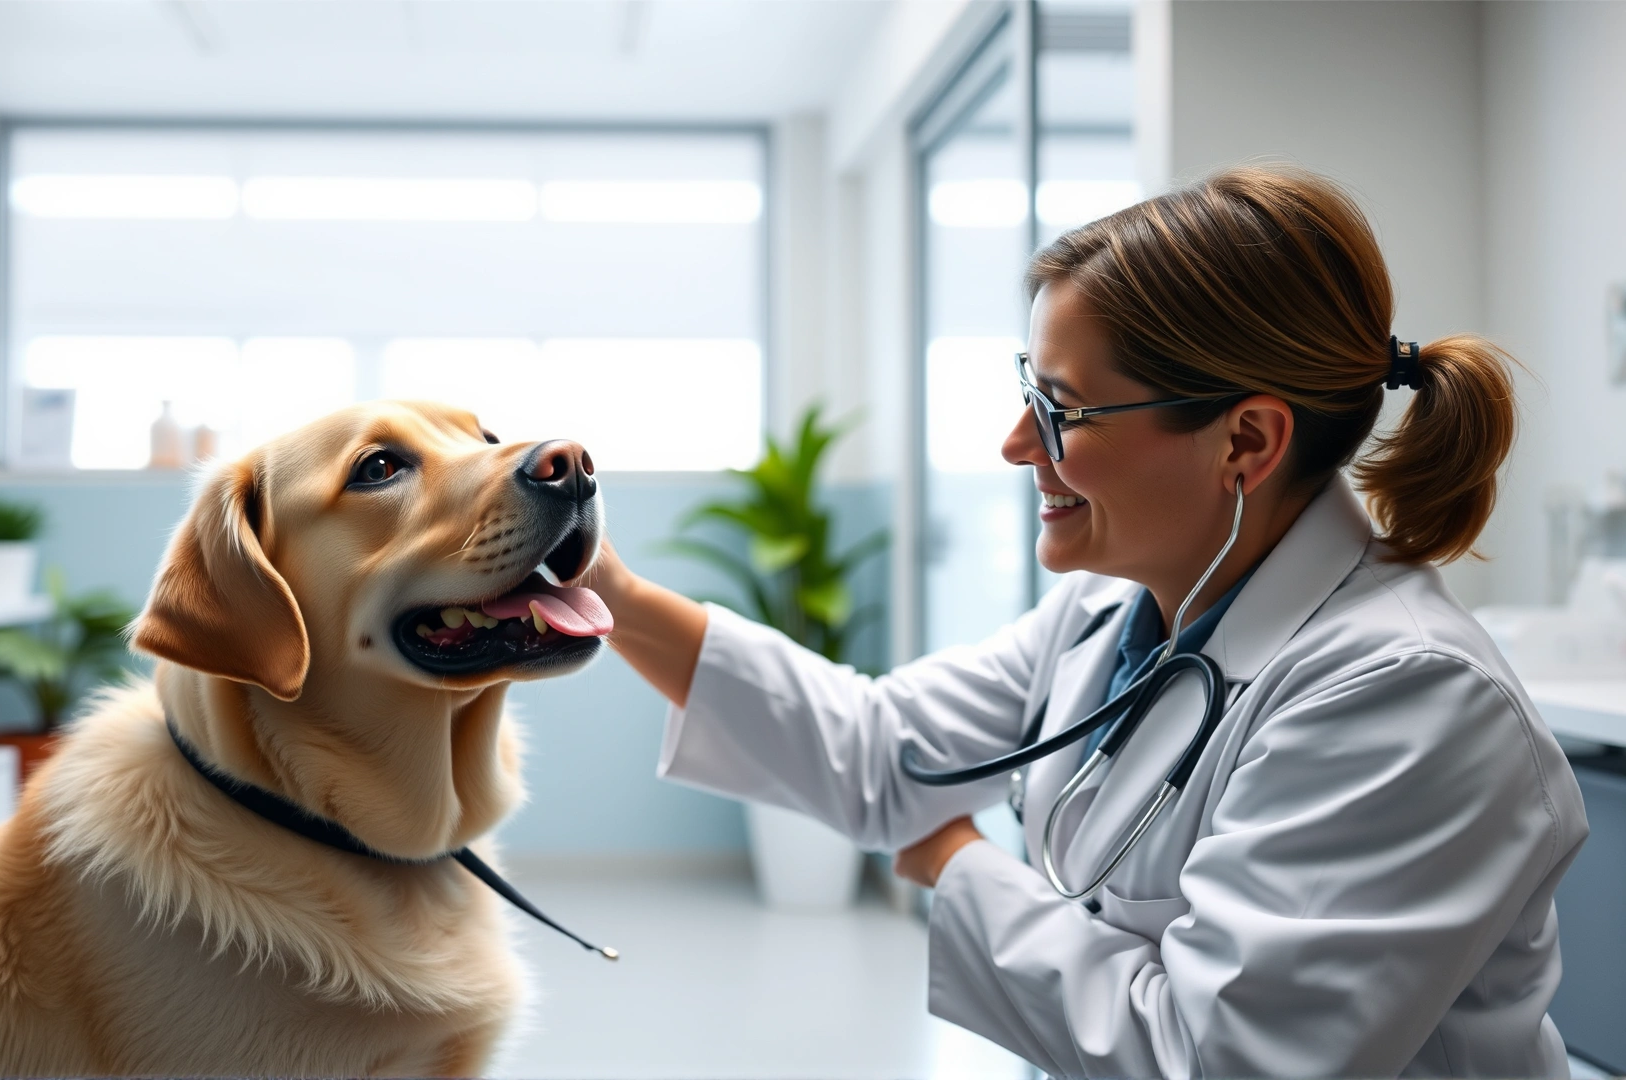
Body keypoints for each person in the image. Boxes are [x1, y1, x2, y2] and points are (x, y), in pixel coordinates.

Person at [585, 166, 1587, 1078]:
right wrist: (611, 595)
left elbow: (1216, 1060)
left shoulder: (1406, 697)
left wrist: (959, 869)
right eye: (1029, 389)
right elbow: (889, 752)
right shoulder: (1117, 606)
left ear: (1246, 439)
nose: (1019, 443)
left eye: (1062, 409)